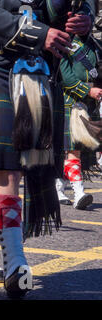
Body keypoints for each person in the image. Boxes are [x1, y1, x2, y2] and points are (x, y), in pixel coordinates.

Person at [0, 0, 93, 298]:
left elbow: (75, 6)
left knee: (19, 168)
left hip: (41, 68)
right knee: (8, 168)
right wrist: (38, 33)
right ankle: (16, 262)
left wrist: (83, 18)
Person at [55, 32, 102, 209]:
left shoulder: (96, 45)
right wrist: (87, 91)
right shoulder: (65, 42)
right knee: (73, 149)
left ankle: (59, 188)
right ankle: (79, 192)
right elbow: (65, 76)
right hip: (71, 101)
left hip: (90, 103)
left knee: (77, 150)